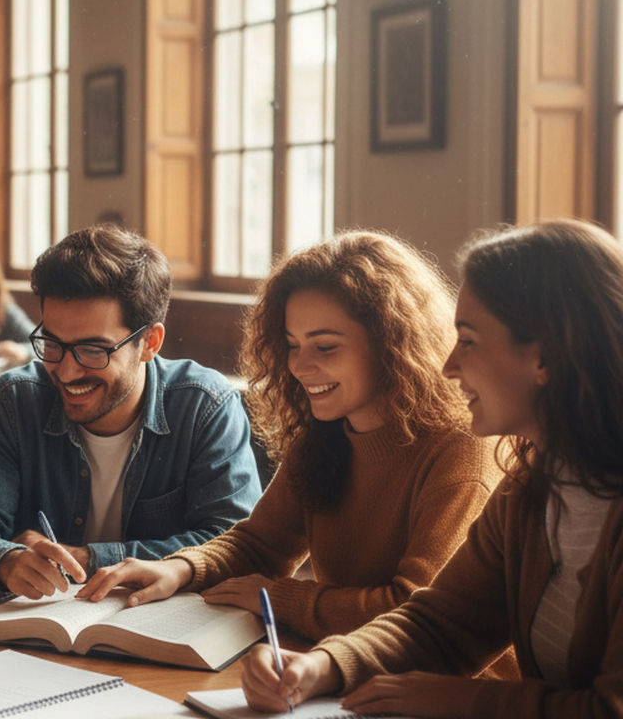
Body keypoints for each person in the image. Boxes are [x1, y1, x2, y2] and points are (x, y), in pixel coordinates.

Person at [240, 219, 623, 717]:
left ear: (544, 355)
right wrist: (323, 666)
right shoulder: (532, 488)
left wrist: (466, 699)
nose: (448, 365)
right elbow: (438, 624)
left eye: (468, 340)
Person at [78, 232, 506, 647]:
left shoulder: (460, 449)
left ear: (392, 345)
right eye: (292, 344)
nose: (299, 366)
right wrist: (181, 569)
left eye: (325, 347)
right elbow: (259, 544)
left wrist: (279, 599)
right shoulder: (325, 432)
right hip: (342, 665)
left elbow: (415, 612)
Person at [0, 225, 262, 601]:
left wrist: (91, 558)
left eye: (93, 349)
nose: (67, 372)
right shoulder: (12, 401)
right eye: (52, 344)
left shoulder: (205, 405)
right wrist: (5, 561)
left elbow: (237, 543)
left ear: (149, 343)